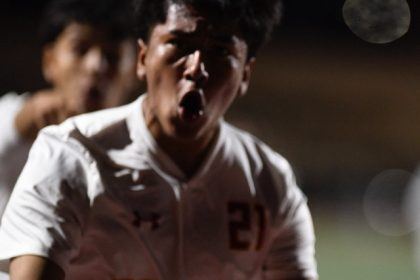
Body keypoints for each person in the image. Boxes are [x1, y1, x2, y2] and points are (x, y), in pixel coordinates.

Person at [0, 0, 318, 279]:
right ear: (143, 57)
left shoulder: (270, 182)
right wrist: (21, 119)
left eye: (220, 51)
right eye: (179, 44)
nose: (197, 69)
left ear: (245, 74)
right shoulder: (70, 154)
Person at [0, 0, 138, 221]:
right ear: (50, 61)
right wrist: (24, 119)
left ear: (135, 69)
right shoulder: (16, 116)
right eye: (80, 49)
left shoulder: (142, 150)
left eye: (112, 56)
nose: (96, 65)